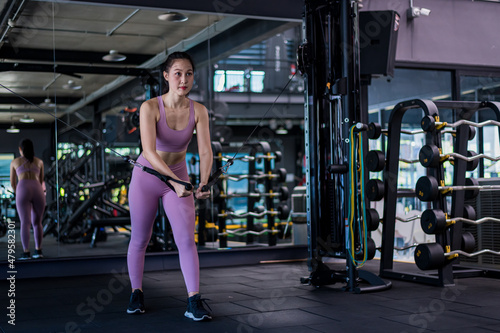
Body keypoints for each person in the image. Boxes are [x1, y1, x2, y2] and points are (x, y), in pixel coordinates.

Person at [126, 51, 213, 321]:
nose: (183, 79)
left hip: (179, 177)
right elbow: (150, 152)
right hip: (147, 178)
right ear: (166, 76)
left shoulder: (199, 110)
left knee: (187, 240)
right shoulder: (150, 107)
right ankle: (136, 292)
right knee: (141, 238)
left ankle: (193, 300)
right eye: (177, 73)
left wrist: (204, 182)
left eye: (188, 74)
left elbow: (206, 151)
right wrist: (175, 182)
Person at [10, 138, 46, 260]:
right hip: (37, 189)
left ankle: (26, 252)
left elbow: (13, 183)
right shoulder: (39, 162)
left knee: (25, 223)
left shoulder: (15, 162)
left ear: (20, 150)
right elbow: (41, 181)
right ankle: (38, 250)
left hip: (23, 189)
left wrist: (18, 193)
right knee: (37, 223)